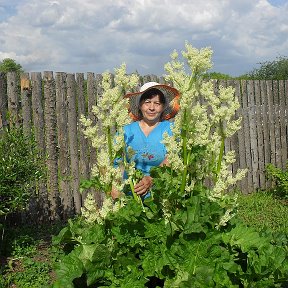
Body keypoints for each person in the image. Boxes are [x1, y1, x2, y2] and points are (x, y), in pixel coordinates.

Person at [112, 81, 180, 199]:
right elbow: (116, 163)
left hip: (161, 196)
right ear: (140, 105)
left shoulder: (171, 130)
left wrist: (151, 179)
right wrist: (115, 188)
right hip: (130, 196)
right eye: (147, 102)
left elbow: (173, 159)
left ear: (163, 107)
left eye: (157, 103)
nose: (152, 108)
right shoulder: (126, 131)